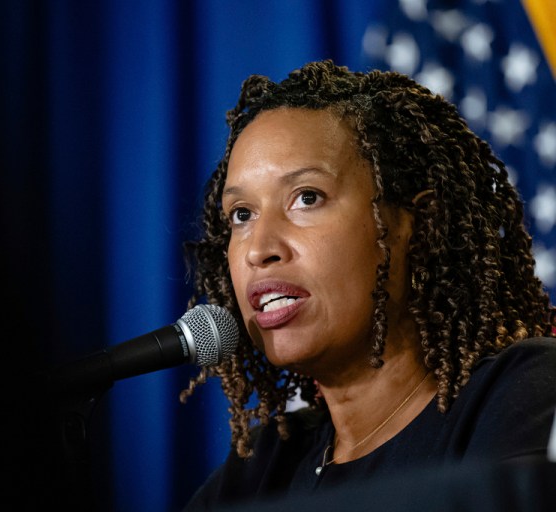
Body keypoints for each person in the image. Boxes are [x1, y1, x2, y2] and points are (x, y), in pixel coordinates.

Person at [179, 60, 556, 510]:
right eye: (242, 214)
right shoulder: (263, 464)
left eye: (306, 198)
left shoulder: (523, 392)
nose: (258, 249)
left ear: (419, 225)